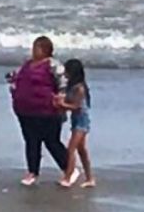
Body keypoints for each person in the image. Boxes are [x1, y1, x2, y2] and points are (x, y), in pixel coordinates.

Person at [8, 36, 68, 186]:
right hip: (25, 111)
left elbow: (63, 82)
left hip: (47, 111)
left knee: (51, 141)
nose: (34, 50)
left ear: (45, 50)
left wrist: (61, 98)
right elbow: (16, 77)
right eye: (34, 47)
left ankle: (68, 168)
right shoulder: (27, 64)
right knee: (31, 141)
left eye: (38, 47)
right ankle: (32, 172)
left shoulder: (53, 65)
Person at [55, 58, 95, 189]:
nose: (65, 75)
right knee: (82, 150)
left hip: (81, 121)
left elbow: (76, 106)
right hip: (76, 120)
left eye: (67, 72)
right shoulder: (72, 87)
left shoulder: (80, 88)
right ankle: (90, 178)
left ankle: (68, 177)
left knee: (71, 148)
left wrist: (63, 104)